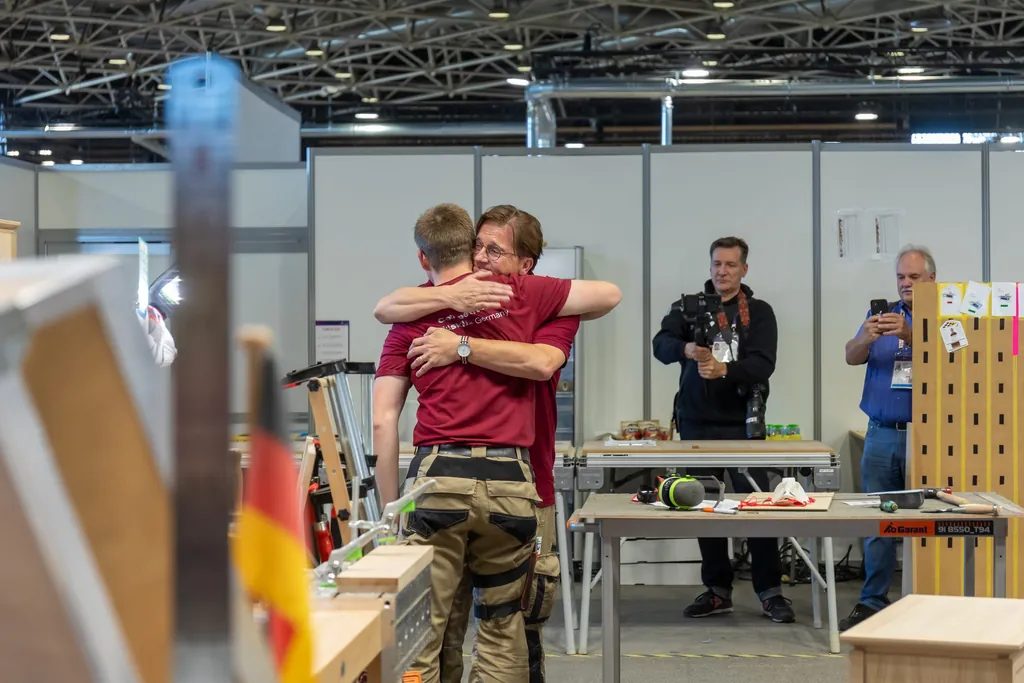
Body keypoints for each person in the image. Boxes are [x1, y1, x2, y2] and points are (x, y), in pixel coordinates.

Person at [372, 203, 620, 683]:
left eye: (495, 250)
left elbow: (384, 421)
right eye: (479, 248)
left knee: (424, 626)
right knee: (505, 629)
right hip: (513, 482)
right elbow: (384, 305)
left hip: (437, 483)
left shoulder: (420, 318)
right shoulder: (519, 296)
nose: (484, 258)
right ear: (464, 249)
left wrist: (389, 518)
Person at [651, 236, 794, 624]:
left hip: (744, 425)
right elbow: (659, 345)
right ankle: (717, 590)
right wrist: (685, 350)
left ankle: (770, 591)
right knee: (704, 507)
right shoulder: (688, 307)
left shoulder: (759, 313)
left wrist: (724, 369)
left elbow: (764, 364)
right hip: (697, 422)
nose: (722, 271)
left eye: (731, 265)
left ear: (744, 269)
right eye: (717, 264)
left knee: (758, 509)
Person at [839, 244, 936, 631]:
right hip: (880, 434)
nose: (906, 284)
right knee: (879, 521)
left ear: (932, 279)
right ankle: (872, 601)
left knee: (930, 521)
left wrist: (912, 336)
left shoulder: (948, 317)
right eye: (900, 277)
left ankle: (927, 600)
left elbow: (959, 362)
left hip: (928, 437)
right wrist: (864, 336)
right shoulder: (880, 315)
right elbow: (850, 356)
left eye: (914, 277)